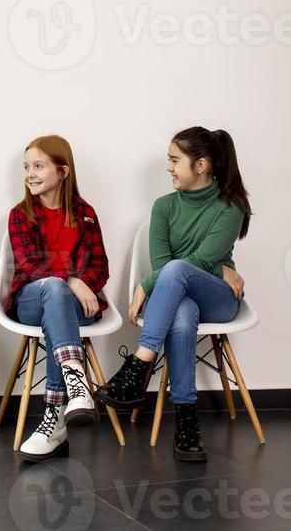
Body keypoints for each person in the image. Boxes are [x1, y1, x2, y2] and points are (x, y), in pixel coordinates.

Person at [95, 127, 250, 462]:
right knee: (181, 315)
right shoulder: (164, 207)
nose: (169, 167)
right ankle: (186, 422)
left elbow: (188, 265)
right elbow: (163, 263)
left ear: (201, 165)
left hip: (220, 299)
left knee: (178, 273)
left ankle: (139, 366)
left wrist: (146, 284)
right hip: (183, 299)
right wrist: (213, 266)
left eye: (175, 160)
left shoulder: (230, 207)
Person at [6, 135, 110, 461]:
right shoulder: (20, 214)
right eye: (26, 167)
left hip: (73, 307)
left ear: (62, 171)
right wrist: (70, 280)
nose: (30, 174)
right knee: (54, 289)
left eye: (38, 165)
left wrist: (79, 282)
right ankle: (77, 384)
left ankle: (54, 422)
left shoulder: (85, 213)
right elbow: (29, 266)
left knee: (59, 312)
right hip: (31, 300)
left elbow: (100, 266)